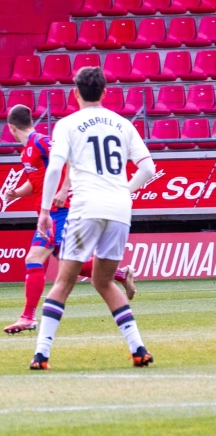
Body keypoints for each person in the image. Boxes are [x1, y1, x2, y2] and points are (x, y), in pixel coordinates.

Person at [30, 67, 156, 370]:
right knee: (103, 281)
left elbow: (54, 168)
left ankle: (41, 354)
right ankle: (139, 348)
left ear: (75, 93)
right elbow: (148, 168)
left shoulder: (67, 125)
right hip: (118, 210)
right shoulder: (123, 123)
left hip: (86, 207)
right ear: (104, 92)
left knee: (63, 281)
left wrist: (45, 210)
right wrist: (123, 190)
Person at [2, 105, 136, 334]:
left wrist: (64, 189)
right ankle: (120, 274)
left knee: (34, 258)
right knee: (69, 263)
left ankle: (27, 317)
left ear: (11, 128)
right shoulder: (25, 152)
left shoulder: (42, 141)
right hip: (47, 214)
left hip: (57, 213)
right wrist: (16, 193)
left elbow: (70, 160)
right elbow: (34, 182)